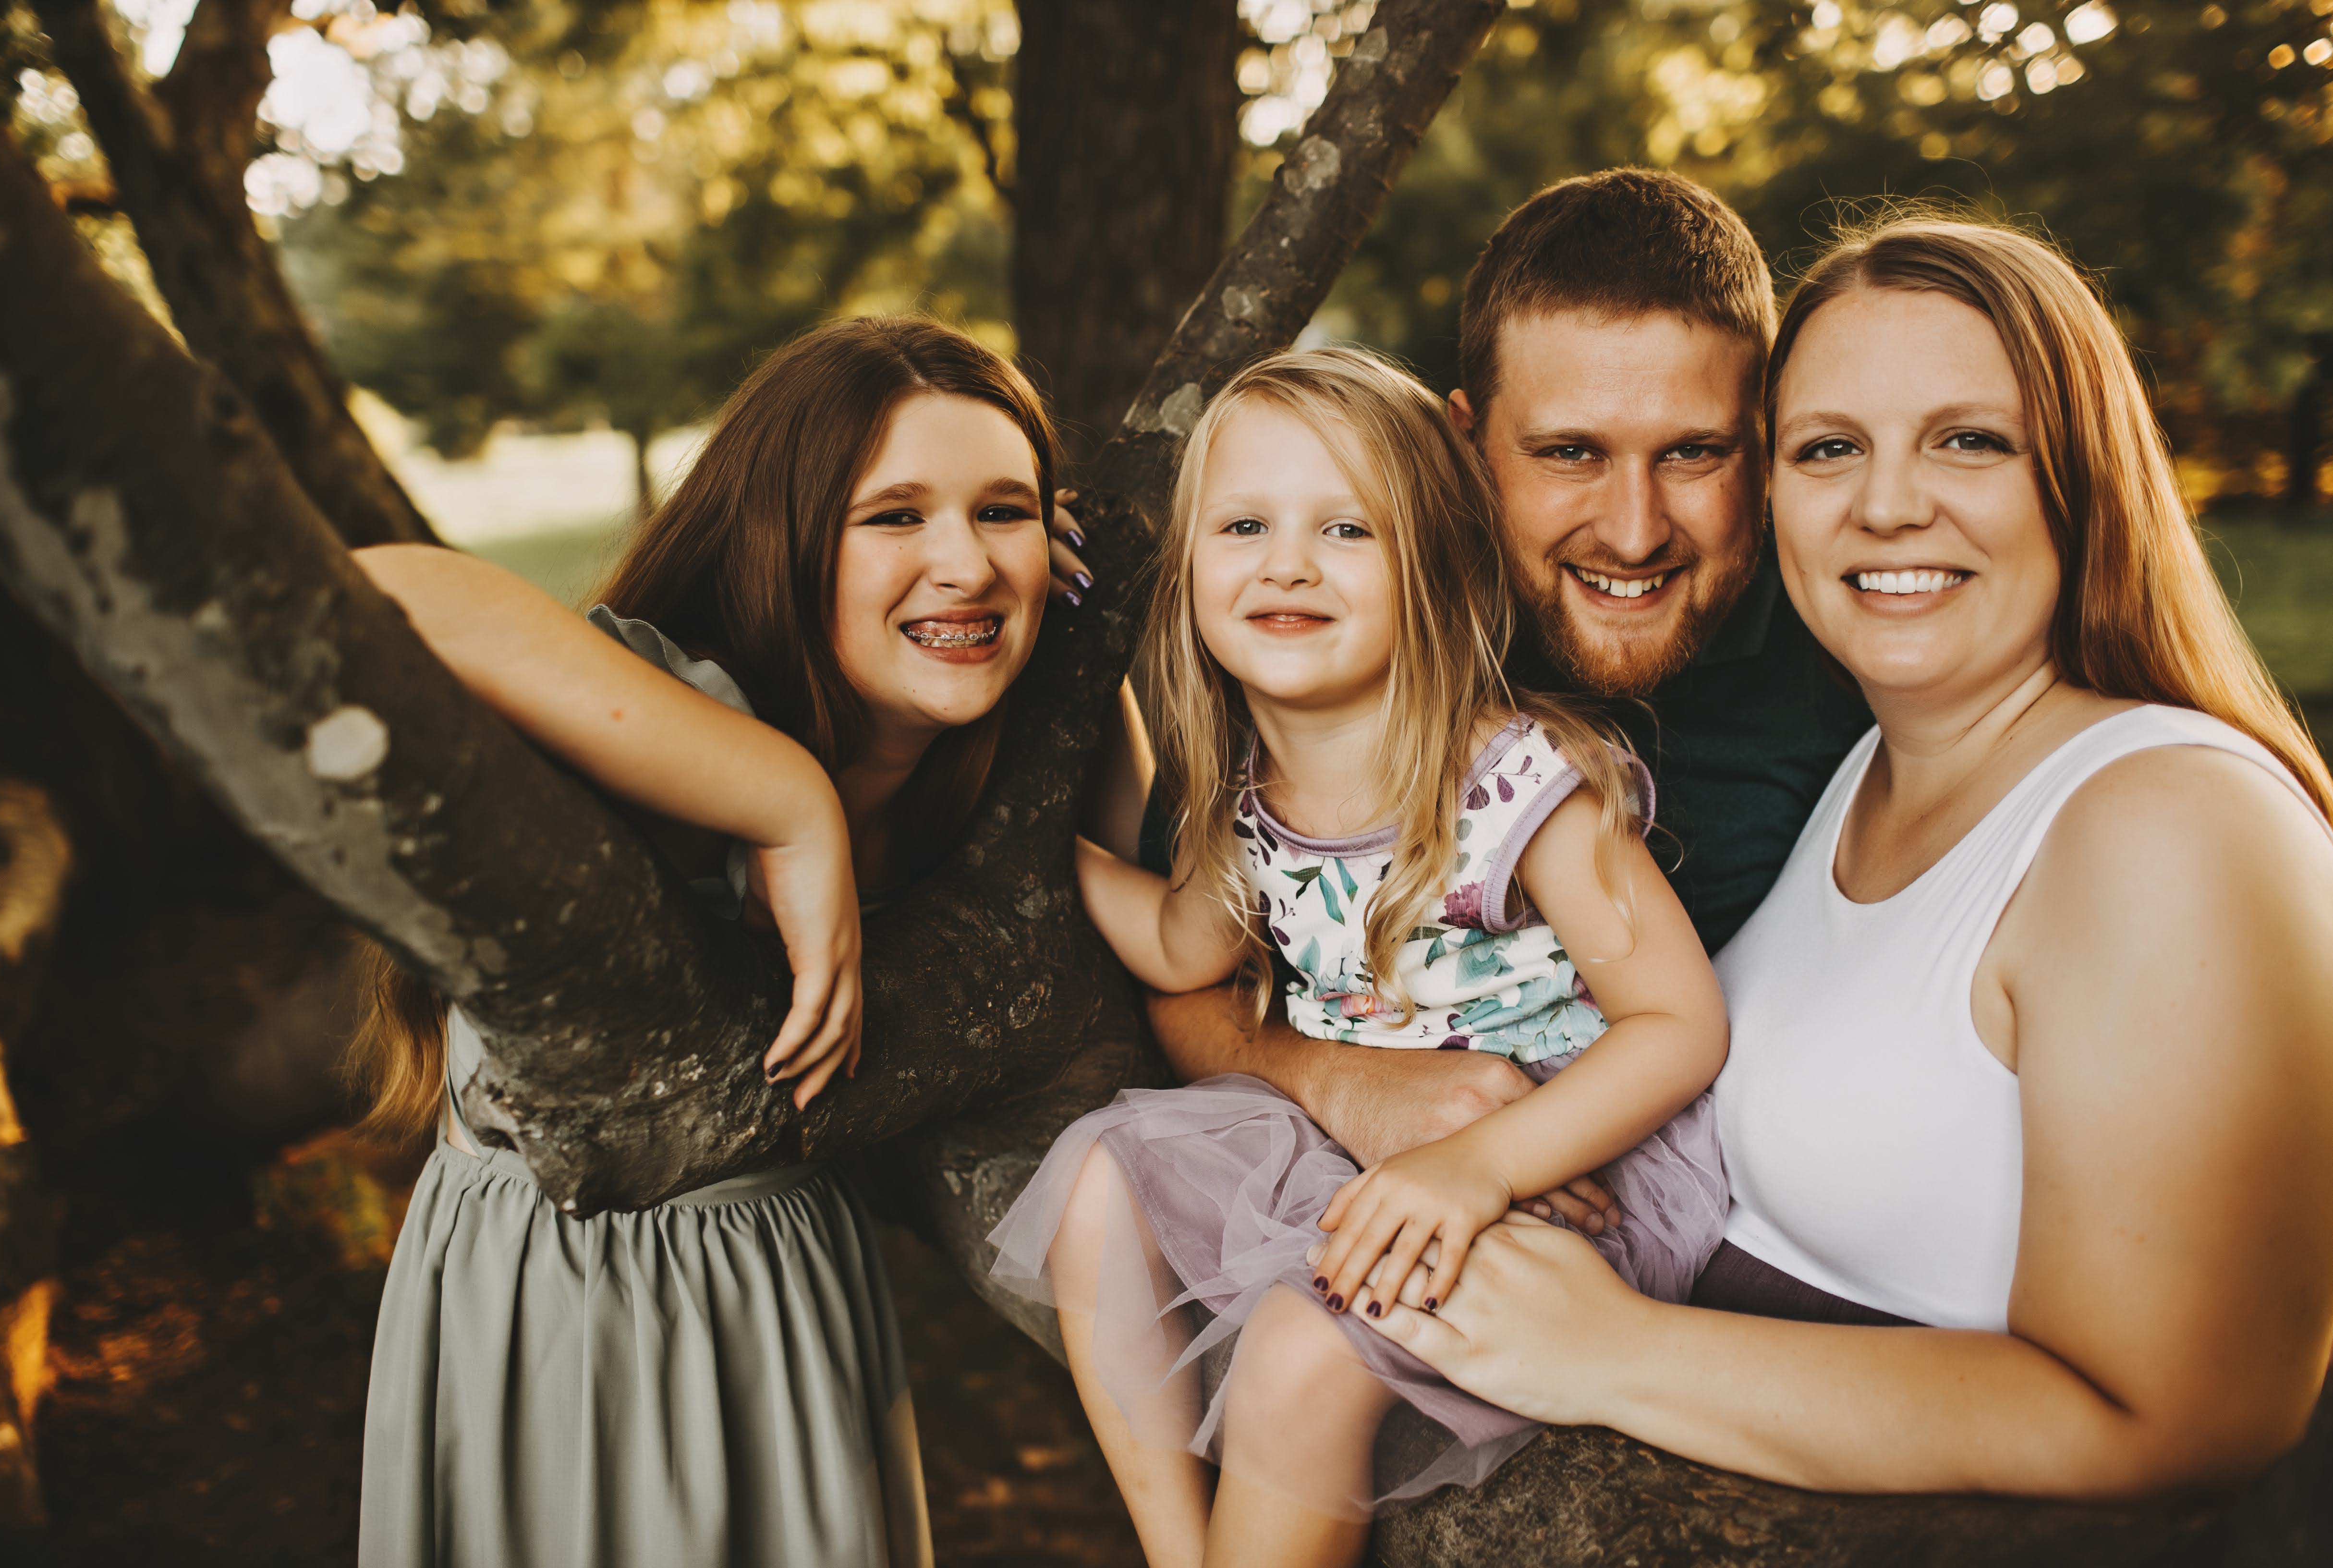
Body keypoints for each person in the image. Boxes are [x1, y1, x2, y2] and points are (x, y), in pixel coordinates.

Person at [1358, 218, 2333, 1499]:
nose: (1885, 505)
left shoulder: (2167, 823)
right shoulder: (1867, 769)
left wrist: (1614, 1352)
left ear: (2081, 473)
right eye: (1829, 448)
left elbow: (2187, 1412)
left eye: (1968, 440)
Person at [347, 316, 1144, 1567]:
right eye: (892, 517)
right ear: (783, 542)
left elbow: (1153, 932)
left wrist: (1098, 655)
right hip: (571, 1303)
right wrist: (786, 797)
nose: (965, 564)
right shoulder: (674, 709)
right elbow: (374, 590)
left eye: (1004, 512)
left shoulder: (984, 770)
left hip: (791, 1286)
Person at [988, 349, 1730, 1568]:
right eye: (1244, 525)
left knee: (1300, 1349)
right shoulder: (1243, 793)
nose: (1286, 562)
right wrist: (1028, 850)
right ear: (1190, 578)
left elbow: (1678, 1023)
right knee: (1092, 1188)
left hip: (1562, 1160)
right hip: (1364, 1139)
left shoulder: (1521, 784)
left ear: (1431, 573)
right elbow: (1184, 946)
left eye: (1344, 528)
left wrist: (1480, 1167)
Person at [1139, 171, 1870, 1197]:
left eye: (1693, 453)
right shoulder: (1347, 650)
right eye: (1570, 452)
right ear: (1465, 443)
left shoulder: (1857, 665)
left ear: (1762, 440)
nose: (1633, 530)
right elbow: (1188, 972)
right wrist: (1338, 1083)